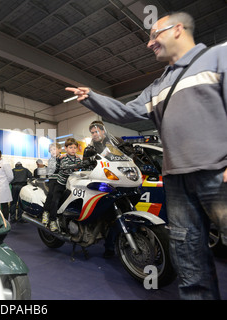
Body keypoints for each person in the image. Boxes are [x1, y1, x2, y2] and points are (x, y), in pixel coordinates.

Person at [66, 12, 227, 299]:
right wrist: (92, 97)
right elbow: (127, 111)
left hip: (217, 174)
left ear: (178, 29)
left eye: (155, 35)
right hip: (177, 181)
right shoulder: (158, 86)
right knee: (190, 266)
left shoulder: (218, 58)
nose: (149, 43)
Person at [45, 138, 83, 232]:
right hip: (61, 183)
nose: (73, 149)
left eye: (75, 147)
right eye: (70, 147)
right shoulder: (63, 158)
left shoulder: (78, 158)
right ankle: (52, 219)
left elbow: (81, 165)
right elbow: (65, 167)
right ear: (65, 149)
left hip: (72, 184)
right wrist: (75, 167)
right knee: (55, 200)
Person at [42, 143, 62, 225]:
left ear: (59, 149)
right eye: (51, 150)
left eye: (54, 149)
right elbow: (55, 168)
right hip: (53, 180)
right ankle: (46, 212)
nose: (52, 151)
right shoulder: (51, 160)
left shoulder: (64, 158)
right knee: (51, 195)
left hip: (62, 180)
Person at [0, 149, 13, 220]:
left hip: (3, 188)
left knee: (4, 205)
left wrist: (5, 183)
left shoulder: (5, 163)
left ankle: (6, 221)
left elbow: (10, 176)